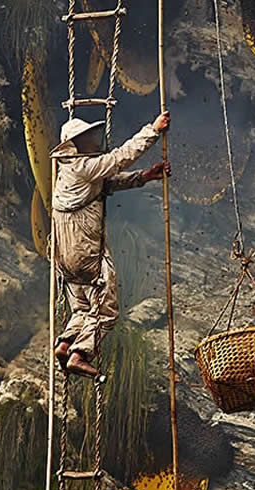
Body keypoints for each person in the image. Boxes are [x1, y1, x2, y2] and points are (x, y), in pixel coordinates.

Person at [50, 111, 172, 377]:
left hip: (64, 256)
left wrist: (144, 177)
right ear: (77, 143)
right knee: (106, 308)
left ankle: (66, 343)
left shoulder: (70, 170)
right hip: (85, 250)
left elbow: (107, 183)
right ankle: (80, 354)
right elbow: (119, 159)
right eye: (89, 137)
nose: (95, 140)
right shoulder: (84, 166)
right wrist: (152, 130)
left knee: (83, 307)